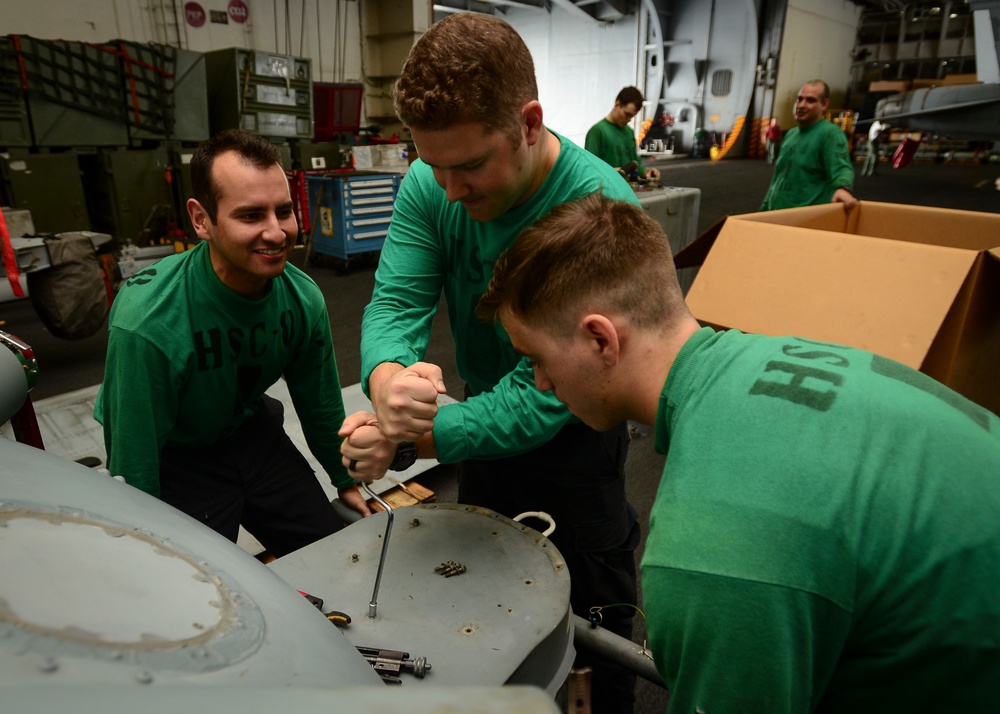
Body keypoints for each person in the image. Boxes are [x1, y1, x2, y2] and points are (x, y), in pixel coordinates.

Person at [477, 193, 1000, 713]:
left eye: (537, 359)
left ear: (600, 340)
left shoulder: (707, 552)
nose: (541, 384)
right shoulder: (774, 355)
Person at [339, 14, 641, 712]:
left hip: (577, 429)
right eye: (434, 164)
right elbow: (393, 303)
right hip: (479, 421)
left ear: (530, 122)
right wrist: (389, 386)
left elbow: (544, 398)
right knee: (485, 599)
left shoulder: (596, 209)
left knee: (594, 627)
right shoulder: (429, 183)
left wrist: (413, 437)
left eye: (470, 165)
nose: (448, 189)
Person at [95, 128, 370, 557]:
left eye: (283, 211)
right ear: (202, 220)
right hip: (177, 458)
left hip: (252, 435)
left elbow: (320, 403)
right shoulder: (148, 321)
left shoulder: (301, 298)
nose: (277, 233)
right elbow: (134, 456)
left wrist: (345, 478)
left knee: (335, 558)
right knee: (193, 594)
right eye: (250, 216)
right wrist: (142, 542)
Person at [760, 80, 857, 212]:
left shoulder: (830, 134)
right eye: (799, 99)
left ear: (824, 104)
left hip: (804, 219)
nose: (801, 105)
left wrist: (842, 188)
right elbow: (778, 178)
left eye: (810, 100)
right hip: (776, 215)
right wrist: (765, 208)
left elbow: (841, 167)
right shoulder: (791, 134)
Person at [585, 86, 661, 182]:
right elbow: (590, 169)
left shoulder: (629, 132)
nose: (629, 119)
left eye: (633, 116)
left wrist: (646, 173)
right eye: (627, 114)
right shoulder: (598, 131)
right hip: (607, 193)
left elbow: (635, 161)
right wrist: (614, 171)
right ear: (617, 104)